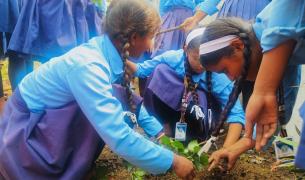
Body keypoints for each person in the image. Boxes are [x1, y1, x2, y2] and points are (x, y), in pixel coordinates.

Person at [0, 0, 195, 179]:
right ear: (134, 38)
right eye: (152, 37)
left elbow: (127, 97)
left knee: (111, 99)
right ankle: (51, 164)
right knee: (104, 115)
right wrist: (172, 161)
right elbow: (116, 134)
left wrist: (157, 131)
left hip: (50, 115)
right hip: (27, 128)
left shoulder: (107, 52)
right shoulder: (88, 67)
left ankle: (72, 159)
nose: (151, 46)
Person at [196, 0, 304, 170]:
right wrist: (242, 144)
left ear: (238, 46)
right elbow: (273, 116)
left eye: (225, 70)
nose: (231, 79)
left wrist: (263, 91)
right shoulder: (279, 51)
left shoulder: (276, 22)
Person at [127, 27, 245, 147]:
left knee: (198, 97)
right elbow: (141, 70)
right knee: (160, 71)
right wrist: (119, 56)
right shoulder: (174, 58)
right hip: (176, 113)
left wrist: (227, 148)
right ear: (185, 50)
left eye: (205, 60)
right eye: (196, 58)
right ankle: (165, 127)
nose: (201, 65)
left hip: (199, 118)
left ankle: (195, 136)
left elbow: (236, 113)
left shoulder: (218, 76)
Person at [6, 0, 104, 89]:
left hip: (72, 7)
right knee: (55, 57)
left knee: (75, 59)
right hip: (54, 8)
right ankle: (23, 100)